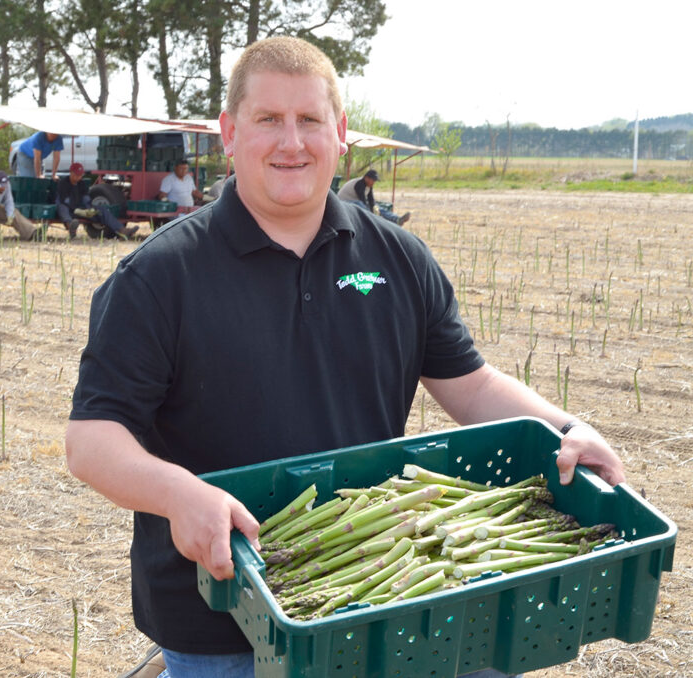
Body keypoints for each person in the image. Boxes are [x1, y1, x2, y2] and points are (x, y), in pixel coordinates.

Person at [65, 36, 625, 678]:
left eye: (309, 120)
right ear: (228, 132)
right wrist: (180, 494)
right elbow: (92, 439)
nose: (291, 142)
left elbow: (471, 385)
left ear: (341, 132)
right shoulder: (160, 276)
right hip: (218, 615)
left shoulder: (399, 260)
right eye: (268, 120)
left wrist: (569, 429)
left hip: (386, 590)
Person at [56, 163, 138, 240]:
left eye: (80, 175)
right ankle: (71, 226)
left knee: (102, 210)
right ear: (71, 173)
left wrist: (90, 209)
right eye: (77, 175)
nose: (79, 177)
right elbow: (65, 201)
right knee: (62, 208)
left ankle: (122, 230)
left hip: (81, 209)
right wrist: (77, 211)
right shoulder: (63, 183)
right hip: (69, 209)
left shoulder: (81, 184)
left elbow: (86, 199)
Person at [338, 168, 411, 225]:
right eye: (373, 180)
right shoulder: (359, 184)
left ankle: (396, 219)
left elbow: (371, 200)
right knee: (361, 205)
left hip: (354, 202)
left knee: (376, 206)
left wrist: (375, 207)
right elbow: (362, 200)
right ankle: (373, 221)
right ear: (366, 178)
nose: (374, 182)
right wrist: (372, 212)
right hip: (344, 202)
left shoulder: (369, 185)